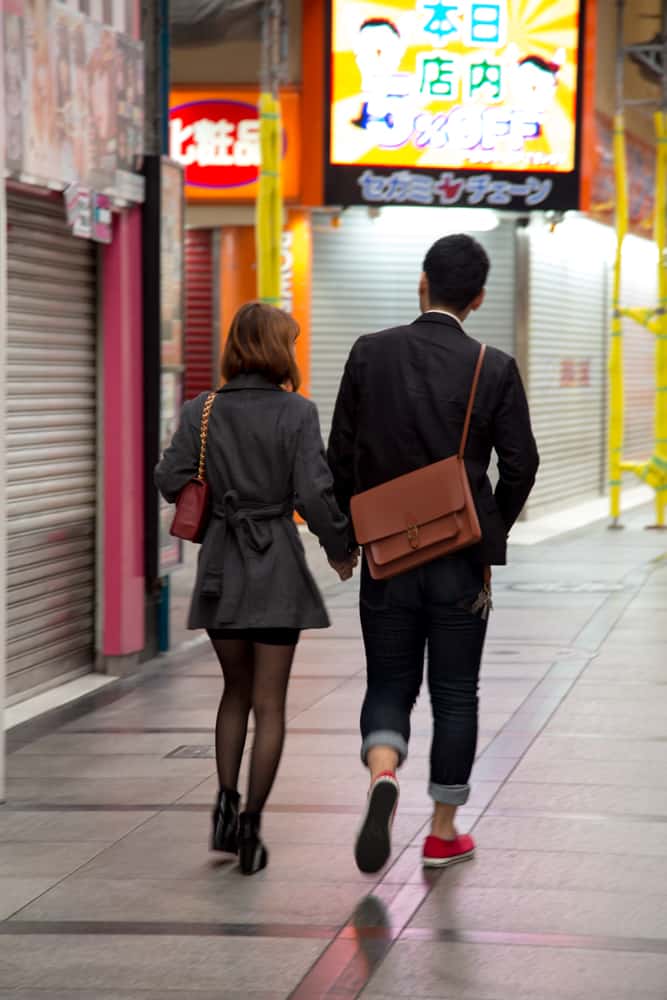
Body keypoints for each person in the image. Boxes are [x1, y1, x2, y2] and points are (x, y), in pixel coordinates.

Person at [327, 234, 539, 874]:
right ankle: (444, 831)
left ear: (422, 282)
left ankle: (382, 773)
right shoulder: (492, 367)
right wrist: (486, 522)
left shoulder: (369, 353)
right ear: (477, 298)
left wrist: (344, 540)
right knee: (455, 693)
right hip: (458, 562)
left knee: (389, 682)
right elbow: (522, 464)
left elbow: (339, 457)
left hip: (387, 559)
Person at [156, 303, 357, 875]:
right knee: (270, 703)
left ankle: (224, 800)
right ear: (276, 349)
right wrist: (340, 547)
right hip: (273, 568)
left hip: (221, 565)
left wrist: (216, 496)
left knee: (234, 693)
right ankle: (251, 828)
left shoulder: (202, 408)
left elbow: (168, 477)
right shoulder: (296, 412)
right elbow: (315, 494)